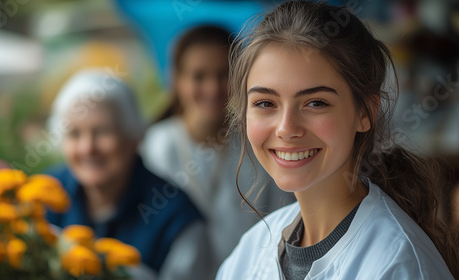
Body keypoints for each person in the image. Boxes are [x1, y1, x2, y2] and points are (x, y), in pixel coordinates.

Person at [217, 1, 458, 279]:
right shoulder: (249, 253)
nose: (286, 128)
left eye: (316, 103)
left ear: (365, 112)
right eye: (265, 103)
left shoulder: (396, 264)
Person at [140, 25, 295, 274]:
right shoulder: (155, 146)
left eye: (223, 74)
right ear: (176, 79)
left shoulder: (260, 141)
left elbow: (285, 219)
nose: (213, 88)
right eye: (199, 76)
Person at [45, 68, 210, 280]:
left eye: (102, 132)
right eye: (74, 134)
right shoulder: (42, 195)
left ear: (133, 136)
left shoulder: (176, 219)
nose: (87, 148)